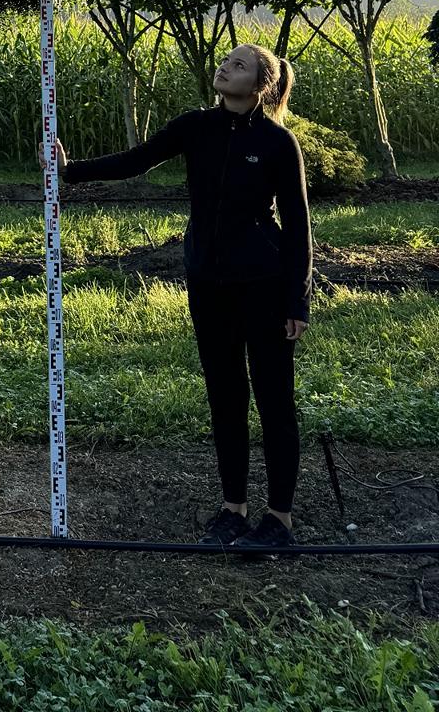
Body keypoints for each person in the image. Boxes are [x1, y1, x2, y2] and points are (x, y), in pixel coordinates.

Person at [50, 43, 312, 557]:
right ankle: (232, 508)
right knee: (225, 396)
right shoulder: (195, 126)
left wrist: (297, 301)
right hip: (207, 283)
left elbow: (299, 224)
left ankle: (278, 517)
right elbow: (138, 159)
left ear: (262, 84)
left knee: (274, 399)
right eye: (225, 61)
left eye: (239, 65)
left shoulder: (279, 142)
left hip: (263, 283)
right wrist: (71, 170)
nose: (225, 67)